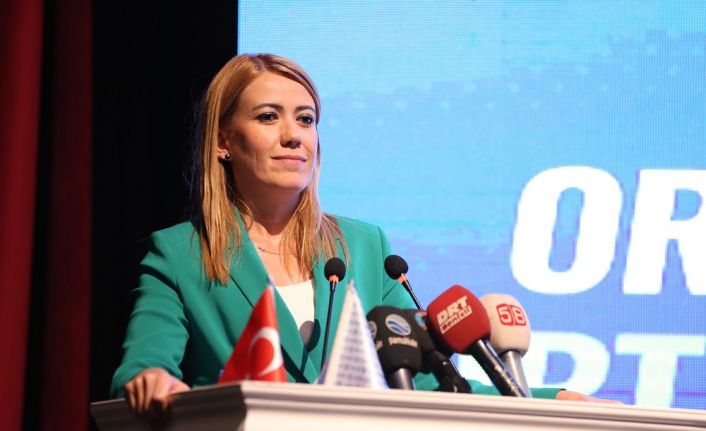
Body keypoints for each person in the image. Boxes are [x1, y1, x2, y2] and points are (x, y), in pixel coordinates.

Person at [111, 53, 609, 417]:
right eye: (268, 117)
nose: (293, 135)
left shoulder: (365, 248)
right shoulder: (180, 254)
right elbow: (142, 369)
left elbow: (431, 384)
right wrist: (150, 379)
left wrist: (551, 399)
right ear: (223, 140)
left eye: (306, 119)